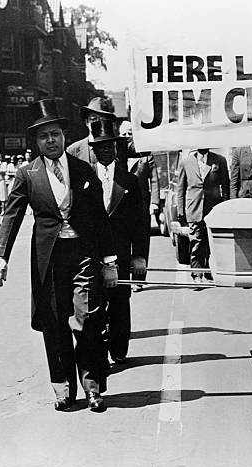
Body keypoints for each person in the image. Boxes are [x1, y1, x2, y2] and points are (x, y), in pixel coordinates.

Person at [0, 99, 118, 412]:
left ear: (63, 135)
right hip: (48, 259)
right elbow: (12, 216)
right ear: (36, 141)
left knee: (87, 319)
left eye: (55, 134)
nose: (51, 140)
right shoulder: (27, 175)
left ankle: (92, 388)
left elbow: (100, 218)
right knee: (55, 324)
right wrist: (0, 256)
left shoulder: (83, 170)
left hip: (83, 255)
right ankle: (62, 388)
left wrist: (110, 261)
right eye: (44, 135)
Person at [89, 118, 148, 366]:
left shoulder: (129, 181)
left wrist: (139, 255)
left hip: (122, 252)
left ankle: (119, 350)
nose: (105, 151)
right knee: (95, 304)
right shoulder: (84, 178)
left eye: (110, 146)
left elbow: (140, 221)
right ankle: (99, 352)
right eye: (101, 146)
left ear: (116, 148)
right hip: (92, 254)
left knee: (120, 302)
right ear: (93, 149)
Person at [177, 148, 230, 282]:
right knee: (196, 241)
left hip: (213, 208)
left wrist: (224, 207)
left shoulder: (219, 160)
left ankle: (209, 270)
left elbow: (225, 185)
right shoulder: (186, 162)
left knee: (212, 242)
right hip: (194, 208)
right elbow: (181, 189)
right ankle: (197, 275)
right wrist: (181, 211)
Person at [119, 120, 160, 292]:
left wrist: (154, 203)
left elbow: (155, 180)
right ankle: (123, 278)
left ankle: (139, 279)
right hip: (121, 207)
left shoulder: (146, 155)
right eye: (124, 135)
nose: (127, 138)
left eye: (130, 134)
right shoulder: (116, 156)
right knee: (121, 242)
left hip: (141, 205)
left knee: (141, 243)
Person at [67, 96, 115, 171]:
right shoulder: (72, 151)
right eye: (94, 119)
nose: (97, 123)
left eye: (102, 119)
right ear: (86, 122)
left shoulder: (118, 148)